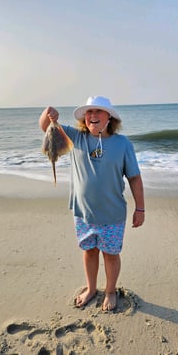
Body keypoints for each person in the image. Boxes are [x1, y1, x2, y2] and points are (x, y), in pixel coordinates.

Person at [39, 96, 145, 311]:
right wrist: (48, 112)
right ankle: (91, 288)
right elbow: (46, 127)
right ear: (84, 118)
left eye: (98, 111)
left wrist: (140, 208)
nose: (93, 115)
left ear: (110, 117)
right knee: (89, 252)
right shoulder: (77, 137)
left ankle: (110, 291)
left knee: (111, 254)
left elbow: (134, 177)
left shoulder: (122, 143)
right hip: (83, 213)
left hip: (112, 213)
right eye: (89, 112)